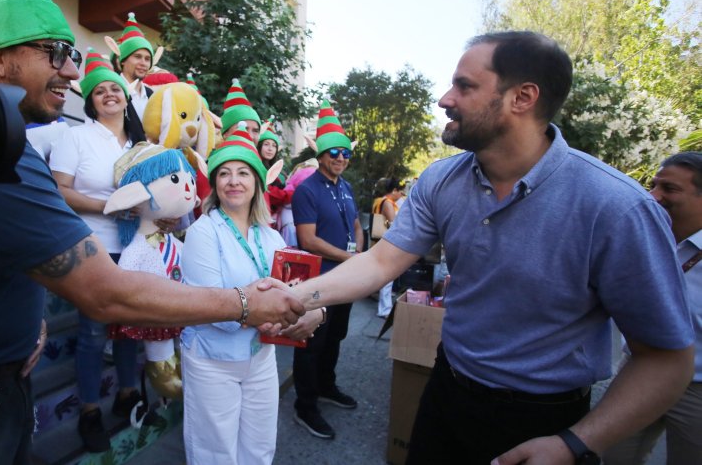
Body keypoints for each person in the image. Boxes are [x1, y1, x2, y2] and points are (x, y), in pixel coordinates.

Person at [0, 0, 302, 462]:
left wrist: (26, 322)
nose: (72, 69)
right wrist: (244, 304)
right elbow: (104, 294)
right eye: (57, 52)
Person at [287, 31, 693, 464]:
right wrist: (293, 297)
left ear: (522, 97)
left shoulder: (617, 208)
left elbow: (667, 359)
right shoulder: (440, 180)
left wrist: (574, 443)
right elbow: (382, 260)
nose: (445, 99)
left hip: (544, 419)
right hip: (446, 389)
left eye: (465, 86)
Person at [180, 124, 324, 464]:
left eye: (243, 172)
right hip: (212, 360)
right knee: (215, 454)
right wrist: (276, 318)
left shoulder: (270, 235)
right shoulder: (203, 232)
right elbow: (211, 305)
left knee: (259, 449)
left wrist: (316, 312)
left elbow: (296, 292)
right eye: (224, 173)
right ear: (214, 183)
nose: (233, 181)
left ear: (258, 182)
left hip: (260, 359)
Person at [48, 48, 145, 451]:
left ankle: (126, 395)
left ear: (126, 97)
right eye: (100, 90)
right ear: (89, 101)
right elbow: (59, 190)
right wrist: (111, 205)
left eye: (115, 89)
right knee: (92, 332)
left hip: (137, 246)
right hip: (92, 246)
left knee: (129, 330)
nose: (109, 94)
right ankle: (89, 410)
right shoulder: (75, 136)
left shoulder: (143, 145)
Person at [603, 151, 702, 465]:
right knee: (611, 456)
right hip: (638, 373)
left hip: (697, 392)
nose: (653, 196)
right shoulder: (646, 238)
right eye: (654, 185)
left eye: (669, 189)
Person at [290, 99, 364, 440]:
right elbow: (308, 239)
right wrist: (351, 260)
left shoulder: (346, 187)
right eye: (333, 152)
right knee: (312, 341)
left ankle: (325, 386)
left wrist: (360, 251)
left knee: (336, 335)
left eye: (345, 153)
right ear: (320, 155)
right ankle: (305, 405)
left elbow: (356, 223)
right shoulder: (307, 190)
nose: (340, 158)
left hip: (346, 277)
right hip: (319, 278)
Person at [109, 12, 156, 128]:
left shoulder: (152, 95)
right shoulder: (109, 90)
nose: (143, 63)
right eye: (137, 57)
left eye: (147, 59)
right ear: (123, 60)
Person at [371, 177, 402, 318]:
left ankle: (383, 306)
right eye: (400, 191)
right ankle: (385, 309)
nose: (401, 195)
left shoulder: (379, 200)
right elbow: (393, 223)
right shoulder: (388, 203)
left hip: (377, 241)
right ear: (394, 190)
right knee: (387, 278)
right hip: (387, 243)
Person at [257, 120, 292, 225]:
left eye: (274, 146)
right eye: (266, 144)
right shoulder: (256, 168)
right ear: (259, 147)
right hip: (262, 218)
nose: (270, 149)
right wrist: (292, 195)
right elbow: (268, 192)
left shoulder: (279, 170)